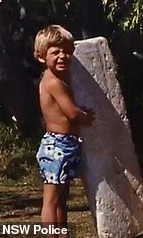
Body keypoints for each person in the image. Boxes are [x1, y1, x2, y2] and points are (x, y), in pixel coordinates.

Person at [34, 25, 94, 231]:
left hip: (67, 145)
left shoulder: (61, 79)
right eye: (56, 52)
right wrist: (86, 117)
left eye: (67, 51)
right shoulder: (53, 82)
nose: (63, 56)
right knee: (51, 200)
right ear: (42, 57)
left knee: (61, 198)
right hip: (56, 145)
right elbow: (71, 113)